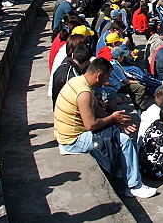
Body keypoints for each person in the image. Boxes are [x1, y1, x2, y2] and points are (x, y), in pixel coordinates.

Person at [53, 58, 157, 198]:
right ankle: (134, 186)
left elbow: (96, 108)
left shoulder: (78, 81)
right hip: (72, 141)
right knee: (123, 140)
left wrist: (115, 122)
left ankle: (124, 169)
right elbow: (91, 124)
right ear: (99, 76)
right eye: (107, 77)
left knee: (116, 131)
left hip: (68, 133)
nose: (107, 81)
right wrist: (112, 118)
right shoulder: (84, 93)